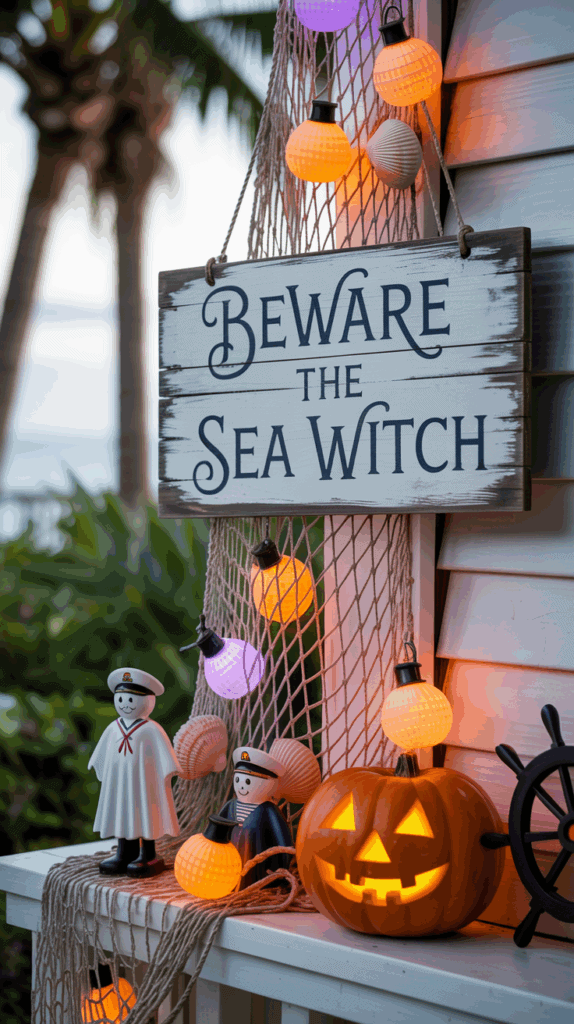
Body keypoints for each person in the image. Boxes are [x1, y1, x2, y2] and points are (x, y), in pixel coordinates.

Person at [88, 667, 181, 877]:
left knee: (146, 815)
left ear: (147, 700)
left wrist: (167, 773)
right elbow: (102, 753)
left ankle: (148, 855)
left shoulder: (151, 729)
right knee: (122, 812)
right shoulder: (114, 727)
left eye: (131, 700)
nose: (125, 704)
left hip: (144, 785)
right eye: (121, 699)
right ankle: (124, 853)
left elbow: (166, 757)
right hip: (120, 783)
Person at [218, 746, 292, 888]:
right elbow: (218, 828)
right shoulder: (231, 806)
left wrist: (283, 868)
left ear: (270, 783)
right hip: (228, 872)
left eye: (247, 782)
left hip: (260, 874)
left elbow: (282, 841)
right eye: (238, 779)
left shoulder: (269, 810)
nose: (241, 787)